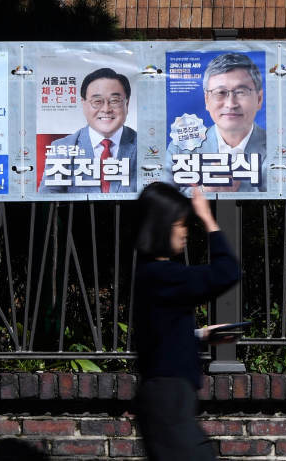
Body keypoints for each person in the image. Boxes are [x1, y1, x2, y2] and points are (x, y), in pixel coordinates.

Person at [132, 182, 241, 461]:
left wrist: (200, 337)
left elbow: (158, 335)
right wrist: (207, 218)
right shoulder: (163, 275)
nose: (185, 232)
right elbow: (226, 271)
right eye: (180, 223)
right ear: (161, 225)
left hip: (163, 399)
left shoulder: (150, 274)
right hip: (168, 400)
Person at [165, 53, 267, 192]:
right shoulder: (181, 148)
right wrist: (204, 191)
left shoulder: (279, 149)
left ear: (259, 99)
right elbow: (160, 199)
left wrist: (237, 191)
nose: (231, 104)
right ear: (207, 99)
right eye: (220, 93)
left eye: (241, 92)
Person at [38, 68, 137, 194]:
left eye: (114, 101)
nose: (106, 109)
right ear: (84, 105)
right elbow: (47, 196)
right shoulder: (62, 148)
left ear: (127, 104)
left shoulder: (144, 146)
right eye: (97, 101)